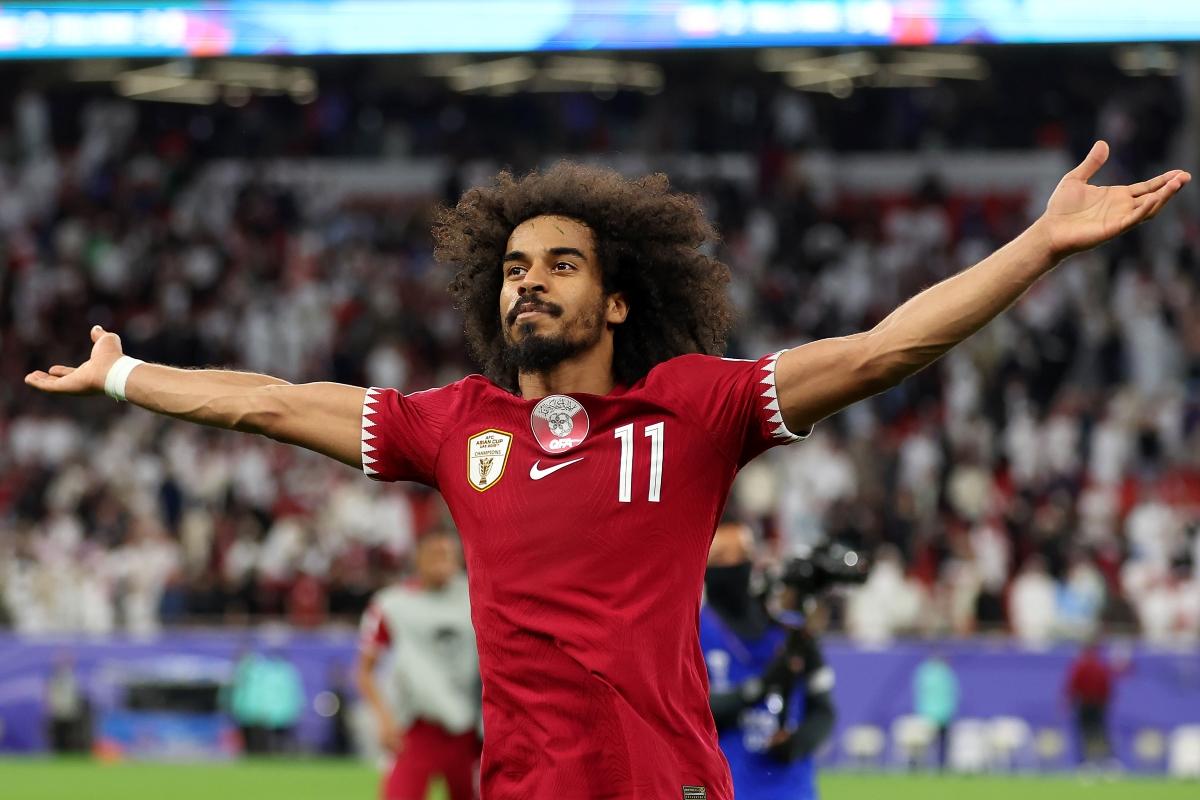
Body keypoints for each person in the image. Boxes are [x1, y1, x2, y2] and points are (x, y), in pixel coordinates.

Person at [24, 144, 1187, 798]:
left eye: (561, 264)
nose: (528, 280)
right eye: (514, 266)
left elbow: (885, 348)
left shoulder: (694, 407)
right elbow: (273, 401)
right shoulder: (455, 424)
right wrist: (127, 375)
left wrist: (1039, 243)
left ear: (618, 300)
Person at [700, 521, 834, 800]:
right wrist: (761, 687)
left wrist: (797, 744)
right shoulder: (693, 632)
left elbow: (823, 710)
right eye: (722, 558)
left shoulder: (791, 631)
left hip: (792, 789)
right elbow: (695, 711)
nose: (735, 566)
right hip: (728, 787)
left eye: (743, 555)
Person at [357, 529, 480, 800]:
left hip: (469, 728)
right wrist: (384, 719)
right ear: (418, 558)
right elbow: (365, 671)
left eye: (448, 555)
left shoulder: (477, 595)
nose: (442, 562)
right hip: (416, 725)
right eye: (434, 554)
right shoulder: (392, 604)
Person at [1065, 637, 1129, 766]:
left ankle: (1090, 761)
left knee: (1089, 733)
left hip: (1086, 704)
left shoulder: (1081, 666)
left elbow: (1073, 687)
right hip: (1097, 705)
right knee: (1099, 732)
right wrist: (1105, 703)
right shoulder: (1098, 667)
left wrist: (1070, 702)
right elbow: (1107, 688)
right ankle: (1106, 760)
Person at [913, 651, 959, 768]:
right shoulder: (944, 673)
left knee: (930, 743)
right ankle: (937, 765)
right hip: (937, 714)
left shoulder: (926, 672)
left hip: (935, 714)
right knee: (931, 743)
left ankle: (929, 766)